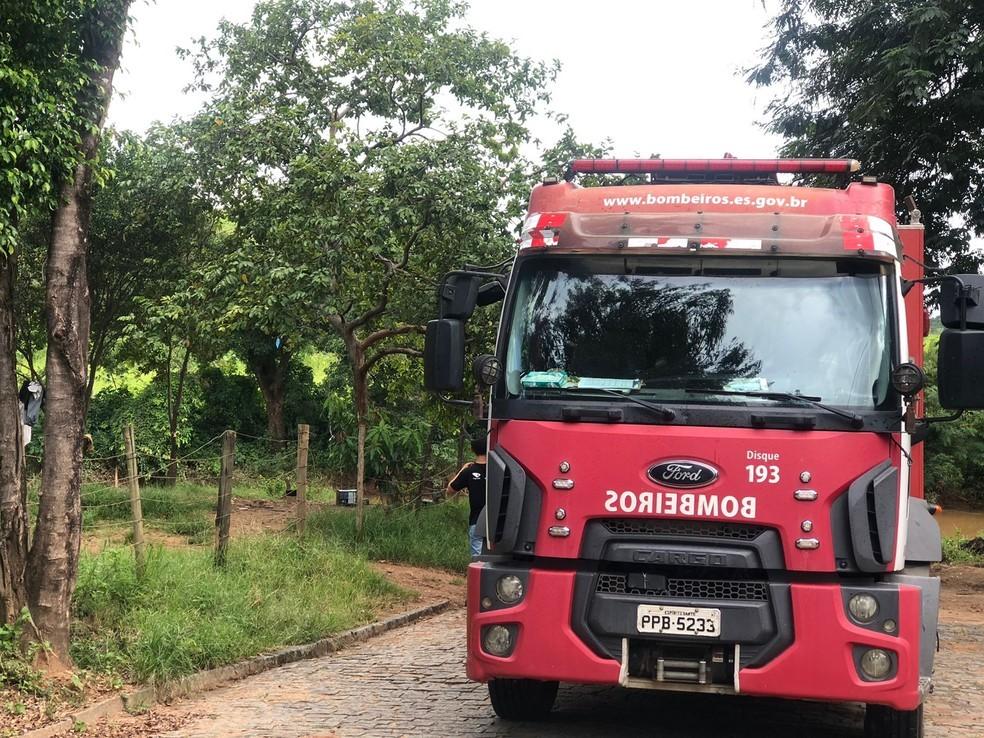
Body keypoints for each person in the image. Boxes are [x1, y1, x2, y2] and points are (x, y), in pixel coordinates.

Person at [447, 437, 487, 558]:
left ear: (472, 450)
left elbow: (450, 490)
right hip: (497, 524)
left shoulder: (469, 471)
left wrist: (462, 469)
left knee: (477, 559)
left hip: (476, 521)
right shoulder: (498, 469)